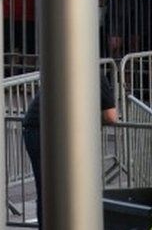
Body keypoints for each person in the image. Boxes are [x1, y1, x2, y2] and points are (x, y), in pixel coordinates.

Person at [22, 73, 117, 229]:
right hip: (52, 132)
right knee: (68, 189)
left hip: (34, 128)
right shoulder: (96, 75)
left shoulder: (64, 69)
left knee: (47, 190)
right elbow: (111, 116)